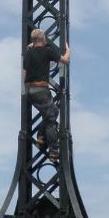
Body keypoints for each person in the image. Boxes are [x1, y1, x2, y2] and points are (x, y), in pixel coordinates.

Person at [23, 28, 70, 163]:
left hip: (30, 91)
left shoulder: (28, 53)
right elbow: (65, 60)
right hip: (42, 90)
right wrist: (68, 50)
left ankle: (40, 137)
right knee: (50, 121)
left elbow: (25, 73)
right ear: (43, 39)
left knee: (53, 112)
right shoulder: (48, 51)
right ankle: (54, 152)